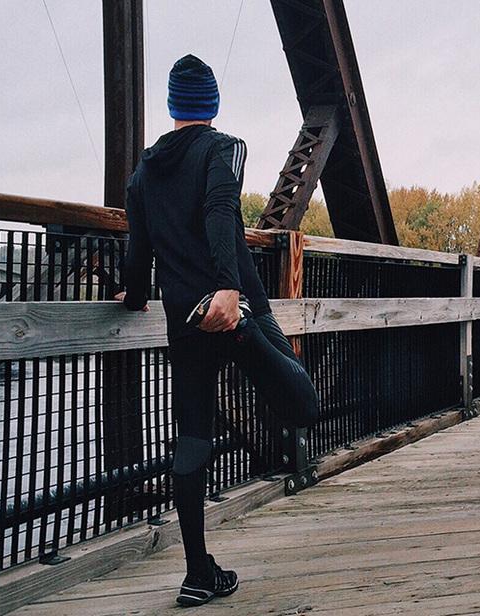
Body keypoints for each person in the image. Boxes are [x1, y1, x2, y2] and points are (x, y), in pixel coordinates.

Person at [117, 54, 319, 608]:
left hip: (184, 320)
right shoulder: (224, 148)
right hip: (235, 308)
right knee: (303, 405)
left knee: (193, 439)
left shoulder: (142, 174)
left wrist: (132, 297)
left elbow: (138, 252)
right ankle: (244, 334)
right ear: (212, 103)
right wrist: (230, 291)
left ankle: (197, 573)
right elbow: (219, 210)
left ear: (171, 105)